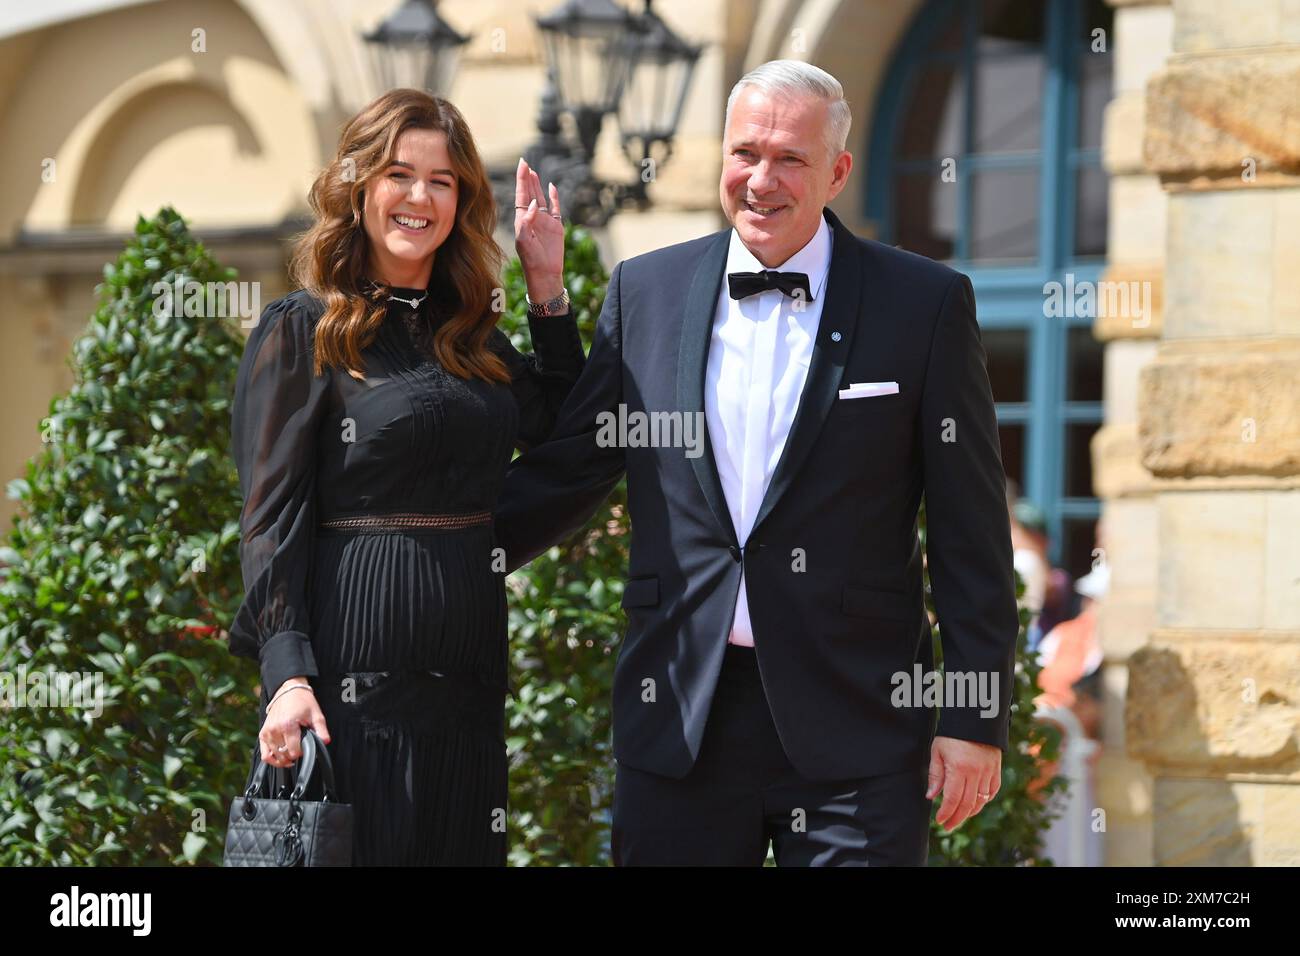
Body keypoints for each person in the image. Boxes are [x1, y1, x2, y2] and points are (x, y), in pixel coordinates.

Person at [494, 60, 1019, 865]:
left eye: (790, 159)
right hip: (680, 713)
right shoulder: (648, 290)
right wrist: (425, 548)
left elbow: (970, 529)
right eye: (744, 154)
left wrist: (973, 716)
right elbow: (573, 462)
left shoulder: (926, 303)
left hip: (861, 722)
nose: (760, 180)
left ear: (838, 172)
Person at [227, 88, 584, 865]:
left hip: (467, 682)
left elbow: (568, 434)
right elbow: (270, 517)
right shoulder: (305, 327)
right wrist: (286, 674)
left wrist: (546, 288)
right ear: (359, 187)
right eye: (399, 174)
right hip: (350, 682)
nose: (421, 197)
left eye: (444, 180)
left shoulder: (470, 333)